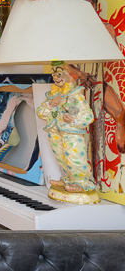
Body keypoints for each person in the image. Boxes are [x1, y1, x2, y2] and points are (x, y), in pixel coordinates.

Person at [36, 62, 95, 193]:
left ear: (71, 76)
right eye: (53, 74)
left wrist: (74, 120)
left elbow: (88, 116)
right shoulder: (53, 95)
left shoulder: (76, 96)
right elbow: (40, 112)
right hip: (55, 132)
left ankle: (80, 183)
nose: (55, 77)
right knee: (61, 157)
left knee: (74, 157)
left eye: (59, 73)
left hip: (72, 134)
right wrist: (51, 105)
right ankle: (69, 179)